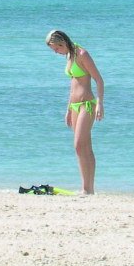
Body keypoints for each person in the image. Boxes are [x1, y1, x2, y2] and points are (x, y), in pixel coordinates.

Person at [45, 29, 104, 194]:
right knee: (82, 147)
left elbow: (99, 80)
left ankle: (88, 189)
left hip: (87, 104)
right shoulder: (69, 56)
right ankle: (87, 189)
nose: (56, 52)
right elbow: (73, 85)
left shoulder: (82, 54)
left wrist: (100, 103)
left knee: (80, 144)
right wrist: (68, 109)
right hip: (75, 106)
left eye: (56, 48)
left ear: (62, 43)